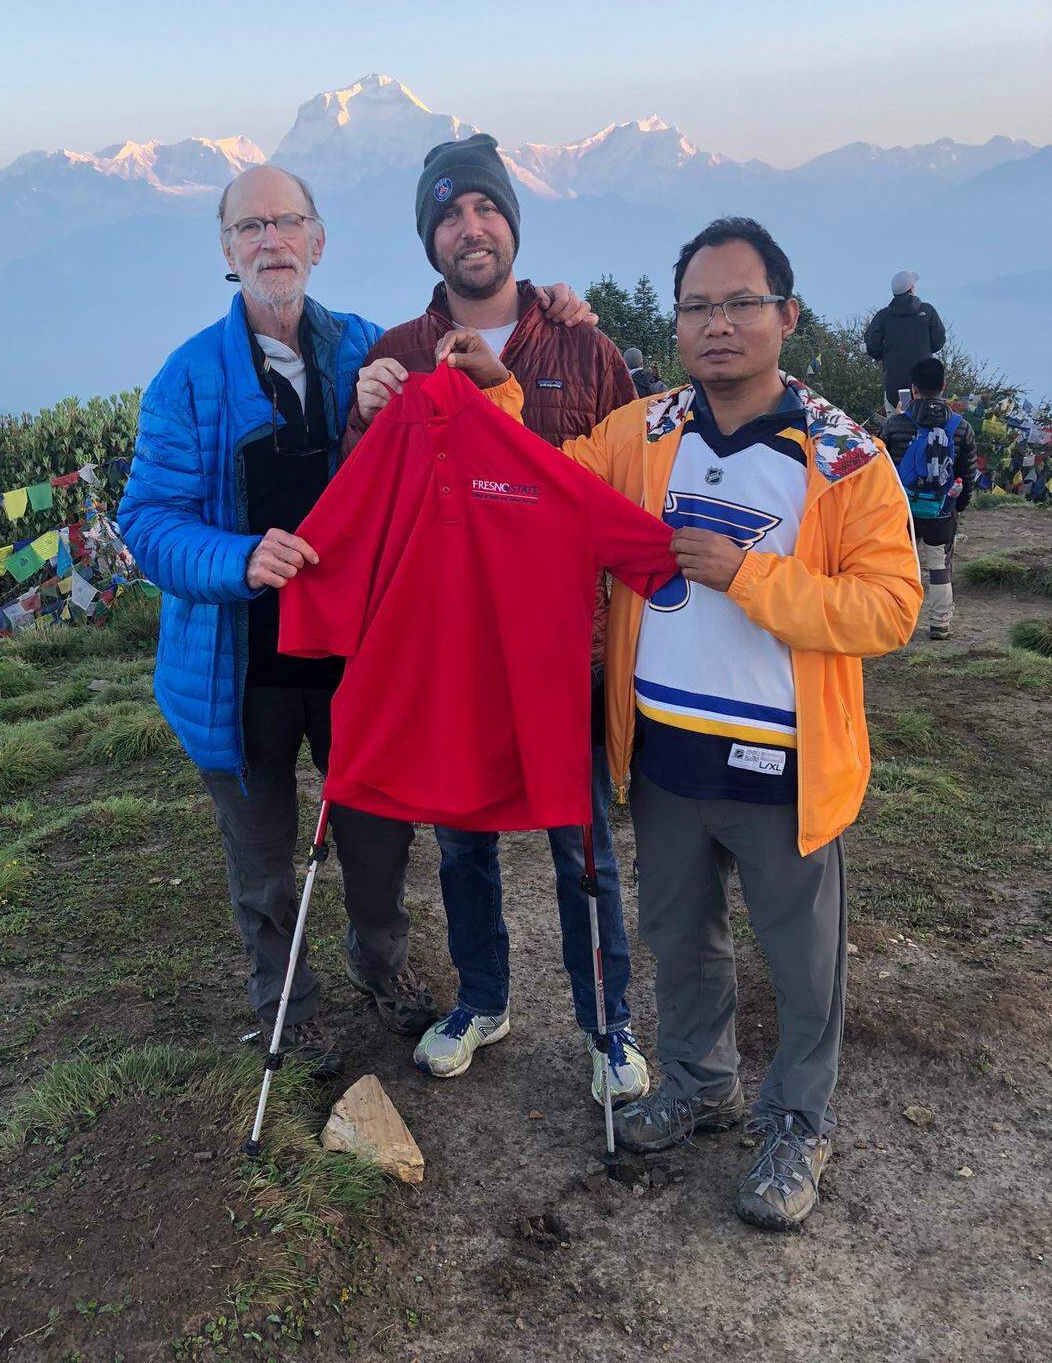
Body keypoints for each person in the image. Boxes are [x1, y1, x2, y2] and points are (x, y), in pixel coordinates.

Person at [118, 164, 590, 1072]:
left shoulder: (369, 350)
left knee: (379, 838)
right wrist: (239, 558)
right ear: (227, 251)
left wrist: (556, 307)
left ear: (318, 240)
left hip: (361, 664)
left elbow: (472, 392)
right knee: (261, 861)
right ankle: (282, 1010)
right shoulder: (185, 380)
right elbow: (146, 521)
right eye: (250, 228)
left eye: (286, 222)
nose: (271, 241)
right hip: (238, 667)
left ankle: (384, 970)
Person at [555, 217, 921, 1231]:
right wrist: (482, 395)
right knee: (680, 937)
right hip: (667, 752)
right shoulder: (647, 430)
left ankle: (799, 1118)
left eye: (740, 303)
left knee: (803, 961)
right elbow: (557, 480)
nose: (718, 324)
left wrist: (752, 575)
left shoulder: (843, 458)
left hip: (784, 762)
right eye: (698, 307)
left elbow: (889, 607)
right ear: (677, 325)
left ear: (786, 316)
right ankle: (698, 1078)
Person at [345, 132, 649, 1108]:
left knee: (580, 840)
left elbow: (627, 491)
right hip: (455, 655)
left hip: (568, 649)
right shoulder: (397, 353)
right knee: (464, 841)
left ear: (512, 221)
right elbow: (367, 501)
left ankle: (610, 1025)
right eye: (447, 215)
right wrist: (362, 411)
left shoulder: (584, 347)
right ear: (429, 238)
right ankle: (484, 997)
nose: (468, 229)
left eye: (484, 209)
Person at [881, 357, 976, 640]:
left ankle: (894, 622)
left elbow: (880, 469)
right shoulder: (962, 427)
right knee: (938, 566)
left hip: (900, 510)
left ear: (913, 389)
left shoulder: (895, 424)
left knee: (897, 565)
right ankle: (940, 623)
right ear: (944, 386)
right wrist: (959, 505)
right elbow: (966, 474)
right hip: (941, 510)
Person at [865, 270, 946, 414]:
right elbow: (938, 342)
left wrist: (884, 353)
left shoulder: (883, 316)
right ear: (911, 289)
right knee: (927, 422)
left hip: (894, 383)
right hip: (924, 384)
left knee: (896, 424)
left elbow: (872, 345)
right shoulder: (928, 311)